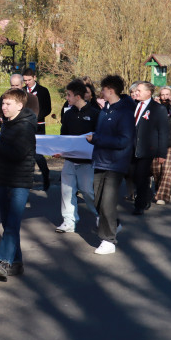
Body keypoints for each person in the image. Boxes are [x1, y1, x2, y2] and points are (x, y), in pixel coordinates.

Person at [0, 88, 37, 280]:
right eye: (3, 103)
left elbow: (18, 153)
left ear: (19, 105)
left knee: (12, 224)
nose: (3, 107)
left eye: (8, 104)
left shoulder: (24, 126)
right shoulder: (8, 123)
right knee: (9, 223)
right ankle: (16, 263)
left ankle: (3, 262)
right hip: (4, 179)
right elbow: (7, 151)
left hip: (19, 181)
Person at [86, 76, 134, 255]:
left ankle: (108, 240)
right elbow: (101, 133)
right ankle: (115, 224)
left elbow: (124, 140)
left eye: (103, 89)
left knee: (107, 203)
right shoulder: (105, 110)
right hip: (100, 160)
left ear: (111, 90)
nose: (101, 92)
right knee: (97, 201)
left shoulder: (125, 113)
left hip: (116, 163)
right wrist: (94, 138)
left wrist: (97, 139)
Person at [54, 79, 99, 233]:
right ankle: (69, 221)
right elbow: (63, 135)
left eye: (69, 95)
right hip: (69, 161)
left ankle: (100, 215)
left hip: (87, 162)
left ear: (78, 97)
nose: (67, 98)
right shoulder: (68, 114)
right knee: (66, 191)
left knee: (87, 191)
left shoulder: (95, 114)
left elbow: (100, 137)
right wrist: (60, 150)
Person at [130, 81, 168, 214]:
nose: (136, 93)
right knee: (133, 175)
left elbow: (163, 132)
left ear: (148, 93)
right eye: (135, 90)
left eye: (139, 90)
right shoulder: (133, 105)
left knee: (141, 176)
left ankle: (140, 204)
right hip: (132, 148)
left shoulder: (158, 109)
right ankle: (145, 195)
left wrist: (162, 153)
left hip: (147, 149)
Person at [152, 86, 171, 205]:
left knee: (167, 170)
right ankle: (160, 190)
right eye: (162, 95)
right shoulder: (156, 109)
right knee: (157, 170)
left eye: (167, 94)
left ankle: (162, 196)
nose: (165, 97)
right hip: (157, 143)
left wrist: (170, 108)